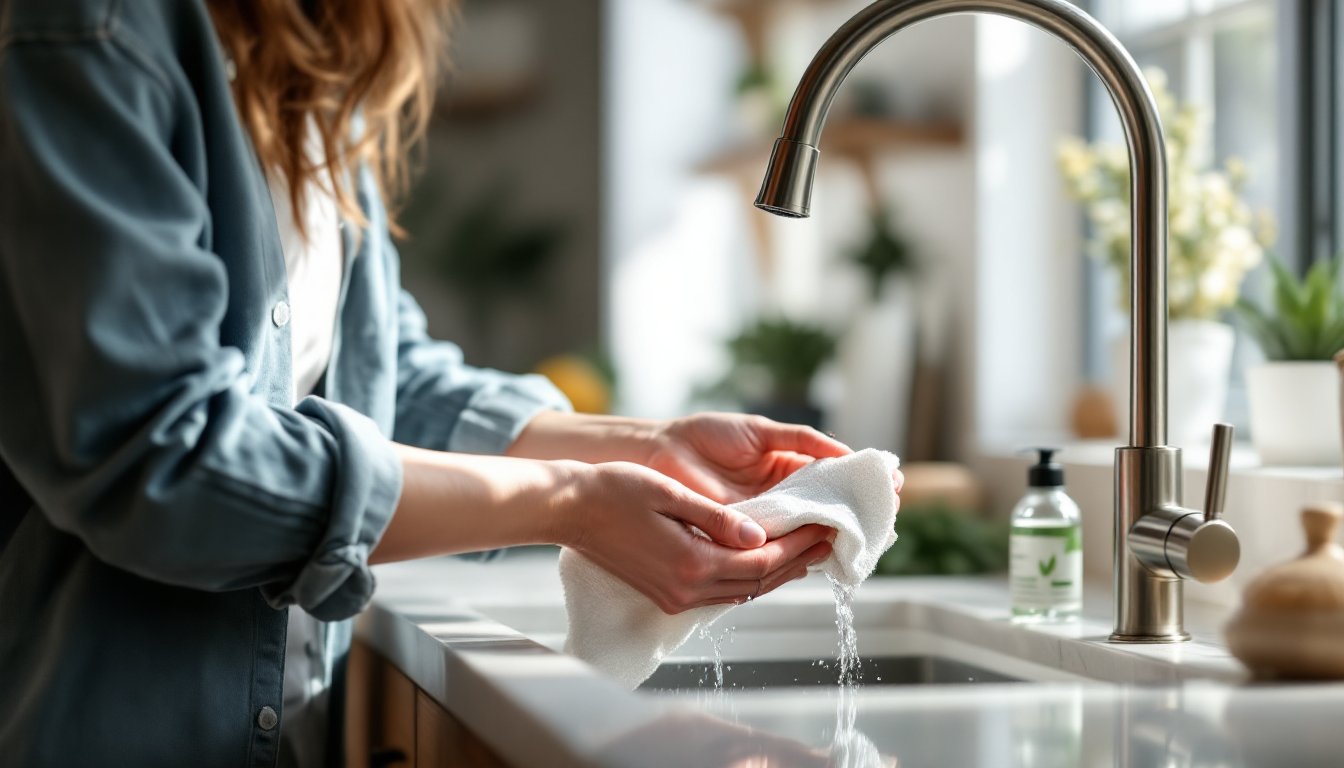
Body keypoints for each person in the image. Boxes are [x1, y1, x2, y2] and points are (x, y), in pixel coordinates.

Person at [0, 1, 902, 766]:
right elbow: (166, 453)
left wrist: (642, 447)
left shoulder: (319, 56)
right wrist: (570, 502)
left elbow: (382, 376)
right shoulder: (92, 32)